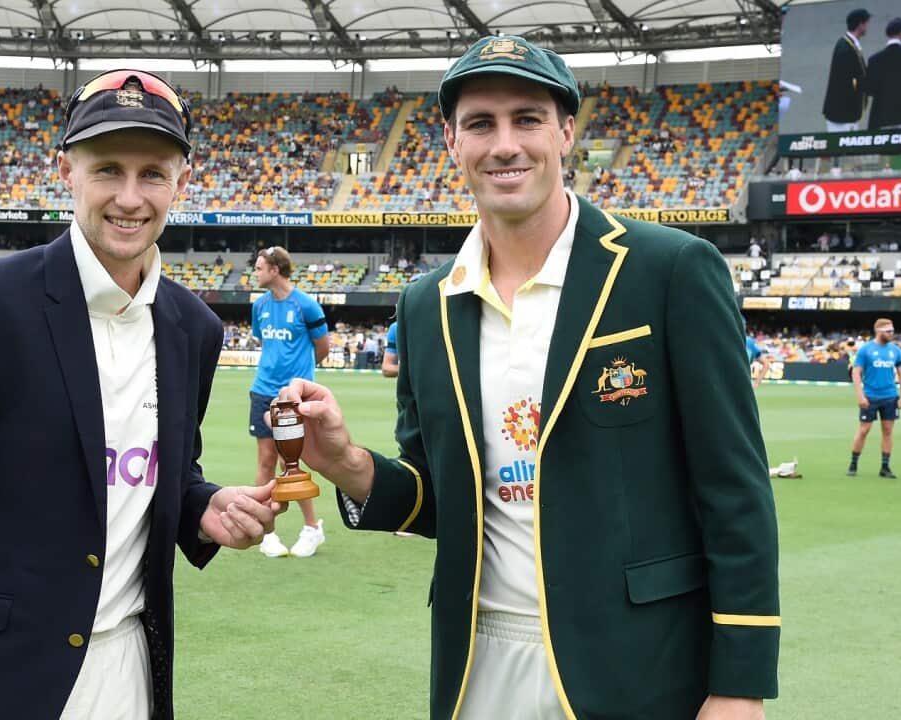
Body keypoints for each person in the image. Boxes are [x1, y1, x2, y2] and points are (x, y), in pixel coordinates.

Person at [277, 36, 778, 720]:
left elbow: (735, 489)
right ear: (453, 143)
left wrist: (740, 685)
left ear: (566, 132)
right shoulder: (426, 305)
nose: (504, 143)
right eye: (481, 123)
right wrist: (345, 462)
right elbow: (433, 498)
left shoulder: (670, 269)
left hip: (636, 665)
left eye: (527, 118)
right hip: (476, 666)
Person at [0, 69, 285, 720]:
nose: (129, 196)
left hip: (131, 677)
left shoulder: (192, 330)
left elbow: (162, 472)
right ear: (67, 171)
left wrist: (202, 504)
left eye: (152, 173)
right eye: (107, 169)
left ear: (184, 181)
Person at [248, 245, 331, 558]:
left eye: (259, 268)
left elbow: (322, 347)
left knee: (290, 462)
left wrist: (302, 377)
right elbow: (262, 340)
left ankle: (312, 528)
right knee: (266, 461)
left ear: (275, 269)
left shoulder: (306, 305)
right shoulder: (260, 306)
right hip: (262, 390)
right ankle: (267, 533)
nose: (255, 273)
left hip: (292, 396)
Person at [848, 318, 901, 478]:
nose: (891, 334)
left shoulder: (895, 351)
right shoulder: (866, 350)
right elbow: (856, 372)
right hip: (870, 396)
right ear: (879, 331)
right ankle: (853, 463)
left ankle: (885, 467)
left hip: (889, 396)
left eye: (892, 331)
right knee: (864, 430)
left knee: (888, 431)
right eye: (888, 331)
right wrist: (860, 395)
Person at [823, 8, 871, 132]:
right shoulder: (845, 48)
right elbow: (845, 82)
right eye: (866, 23)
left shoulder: (850, 44)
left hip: (847, 114)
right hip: (841, 116)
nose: (867, 27)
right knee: (841, 151)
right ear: (860, 25)